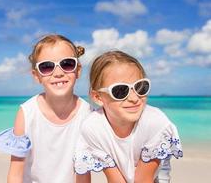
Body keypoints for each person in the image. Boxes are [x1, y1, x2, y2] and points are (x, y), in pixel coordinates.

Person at [0, 34, 92, 183]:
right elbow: (15, 174)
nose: (58, 73)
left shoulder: (87, 113)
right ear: (36, 76)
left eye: (67, 64)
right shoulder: (27, 112)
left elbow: (83, 172)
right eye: (46, 67)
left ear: (78, 70)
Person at [74, 50, 183, 183]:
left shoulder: (155, 122)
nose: (134, 98)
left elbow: (144, 180)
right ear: (98, 97)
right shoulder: (93, 128)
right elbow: (115, 180)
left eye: (140, 87)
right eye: (120, 91)